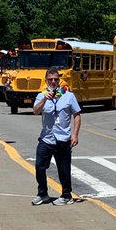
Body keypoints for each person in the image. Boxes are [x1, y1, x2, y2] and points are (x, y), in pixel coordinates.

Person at [31, 67, 81, 206]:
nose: (53, 82)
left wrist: (75, 135)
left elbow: (77, 115)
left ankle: (66, 195)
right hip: (46, 138)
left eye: (56, 79)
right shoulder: (42, 95)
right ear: (46, 80)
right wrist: (44, 100)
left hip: (63, 138)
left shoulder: (68, 96)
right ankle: (42, 194)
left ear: (59, 80)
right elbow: (35, 111)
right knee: (39, 166)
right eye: (50, 79)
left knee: (64, 169)